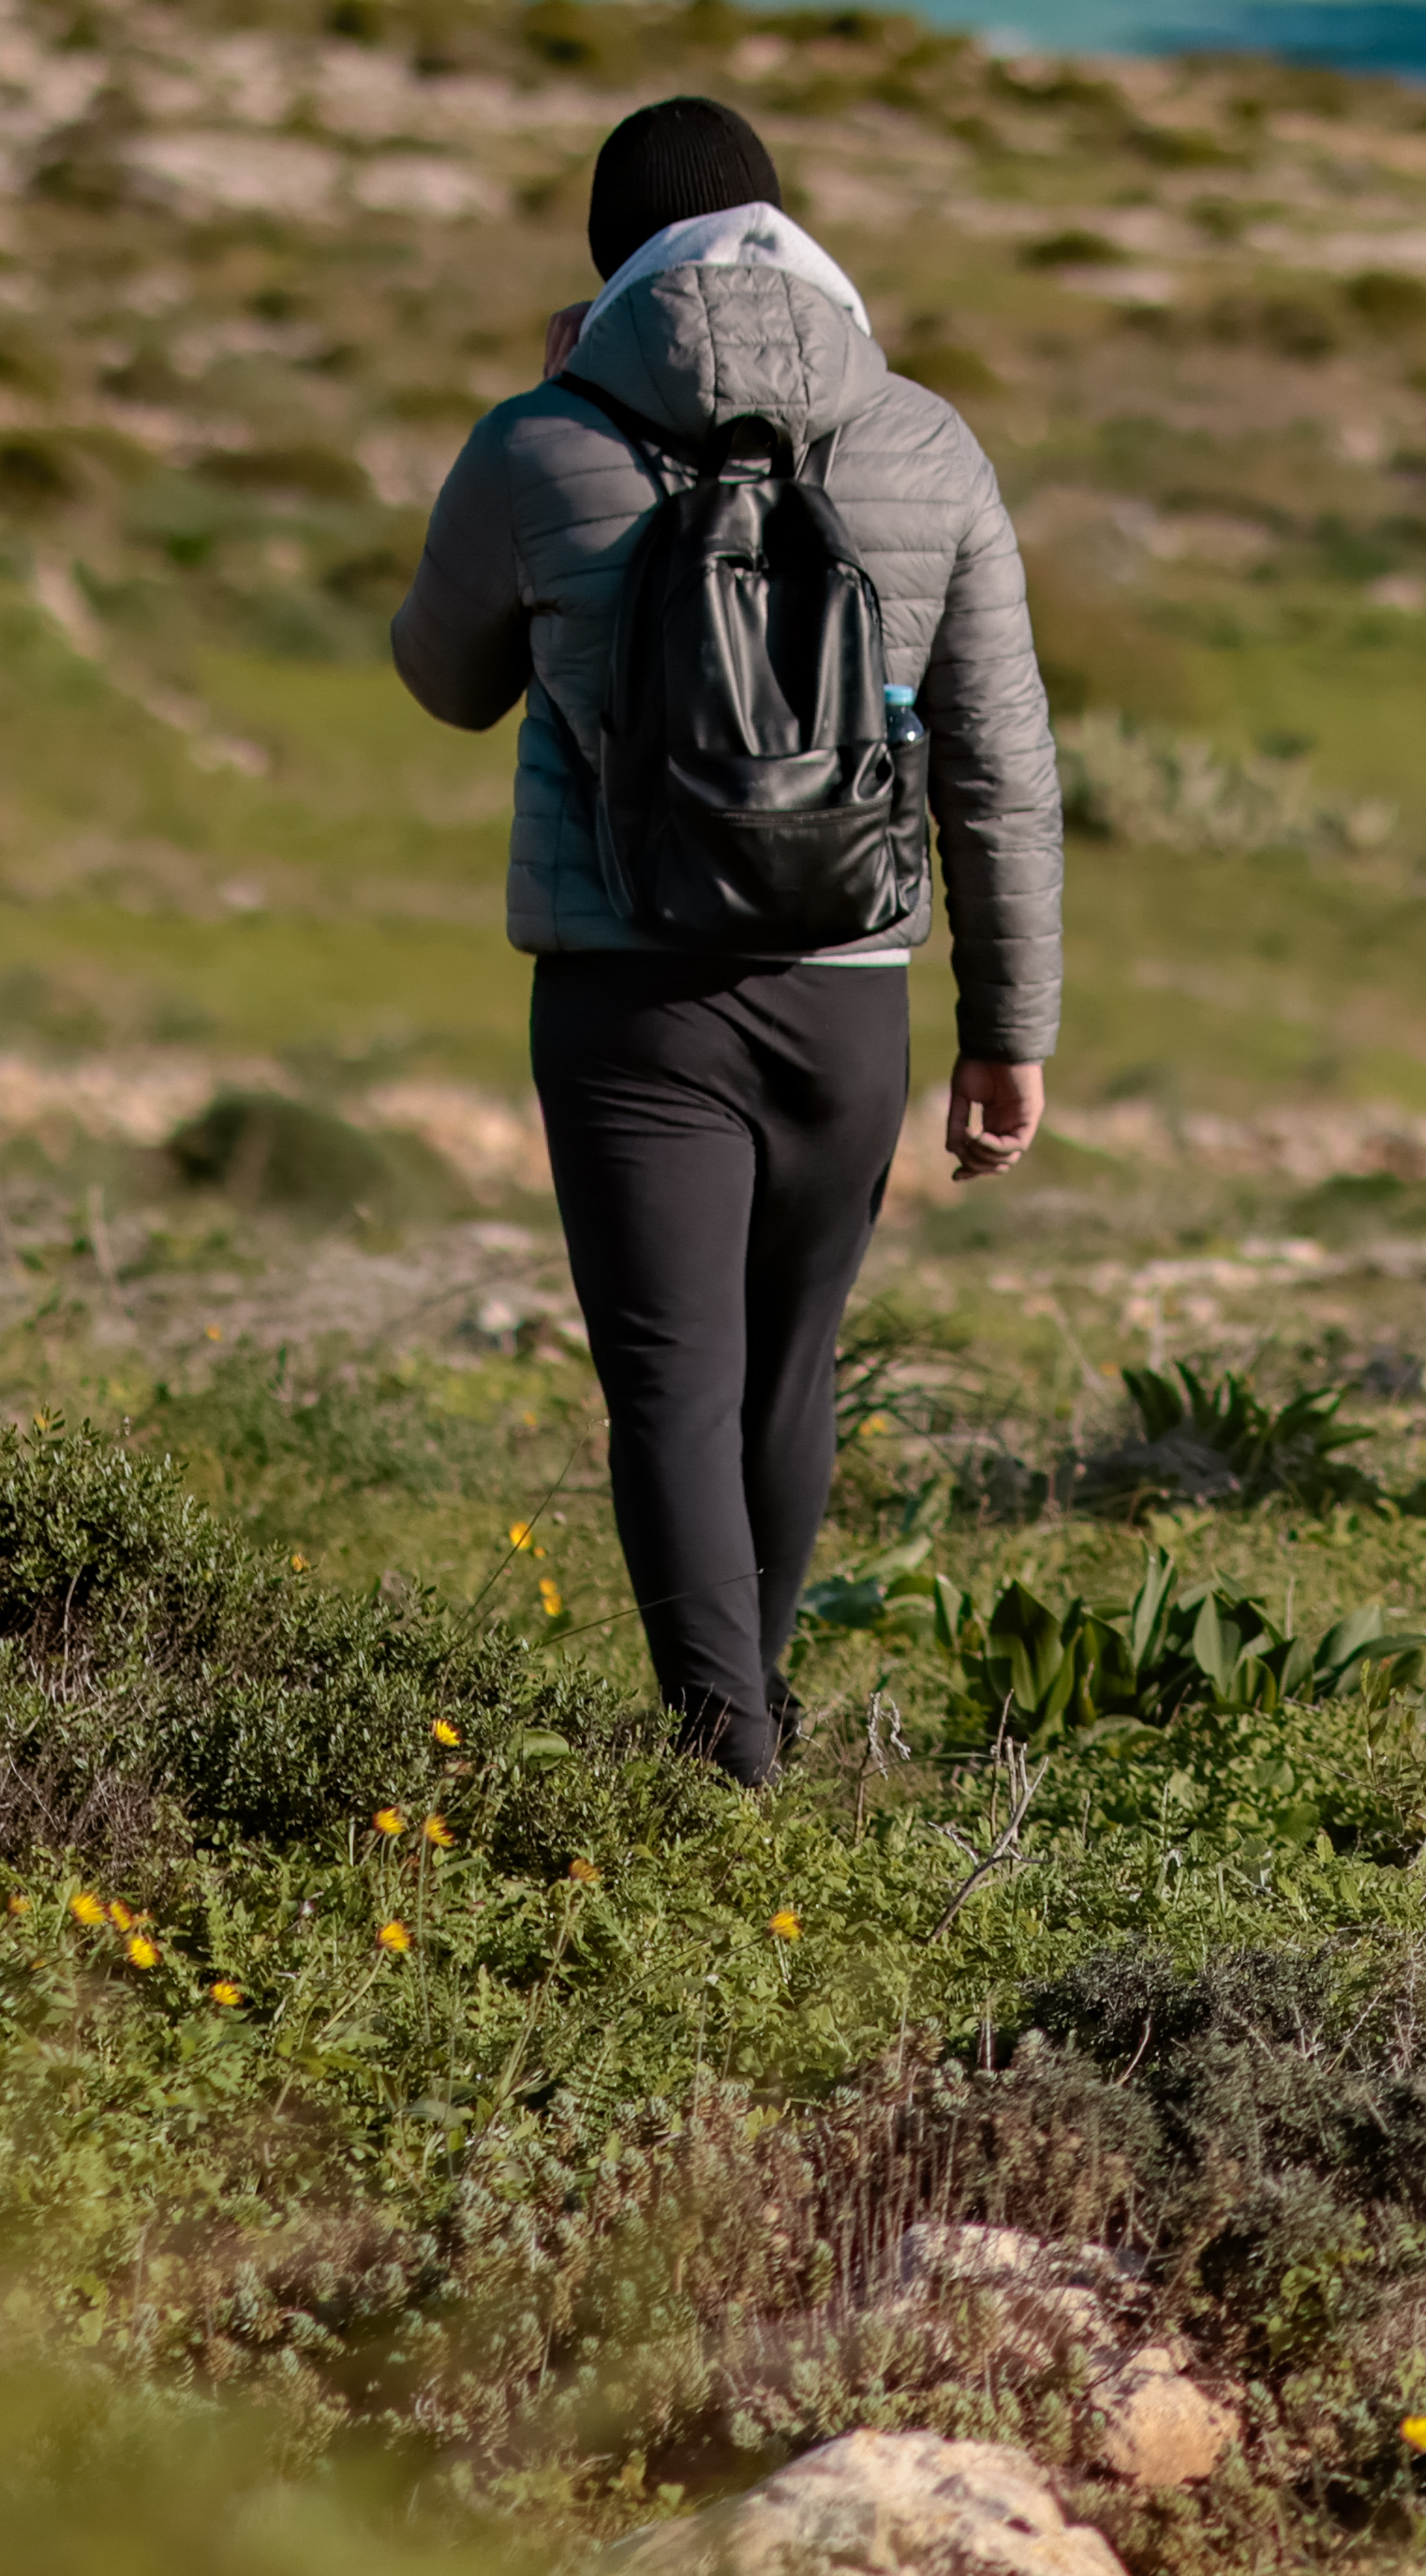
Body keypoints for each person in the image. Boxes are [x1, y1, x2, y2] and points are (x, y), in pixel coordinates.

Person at [391, 95, 1060, 1789]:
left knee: (669, 1384)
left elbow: (443, 678)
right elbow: (999, 761)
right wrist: (1011, 1027)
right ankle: (748, 1716)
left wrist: (553, 405)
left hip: (629, 993)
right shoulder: (925, 441)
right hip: (850, 992)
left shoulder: (548, 438)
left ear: (613, 264)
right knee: (789, 1368)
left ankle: (725, 1756)